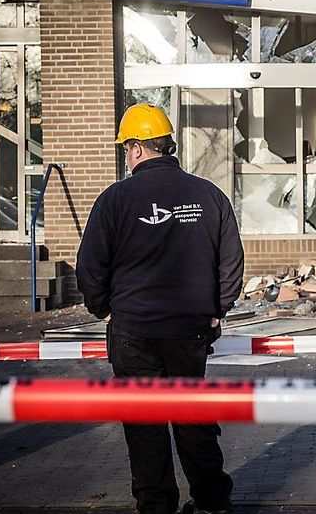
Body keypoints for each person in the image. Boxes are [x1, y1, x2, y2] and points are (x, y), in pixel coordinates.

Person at [76, 103, 243, 514]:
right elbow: (231, 261)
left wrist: (104, 310)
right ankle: (212, 503)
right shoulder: (209, 196)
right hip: (191, 330)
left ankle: (156, 507)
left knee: (145, 426)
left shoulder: (114, 200)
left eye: (126, 148)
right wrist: (218, 308)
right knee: (193, 419)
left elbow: (91, 267)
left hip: (133, 332)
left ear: (134, 148)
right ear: (167, 146)